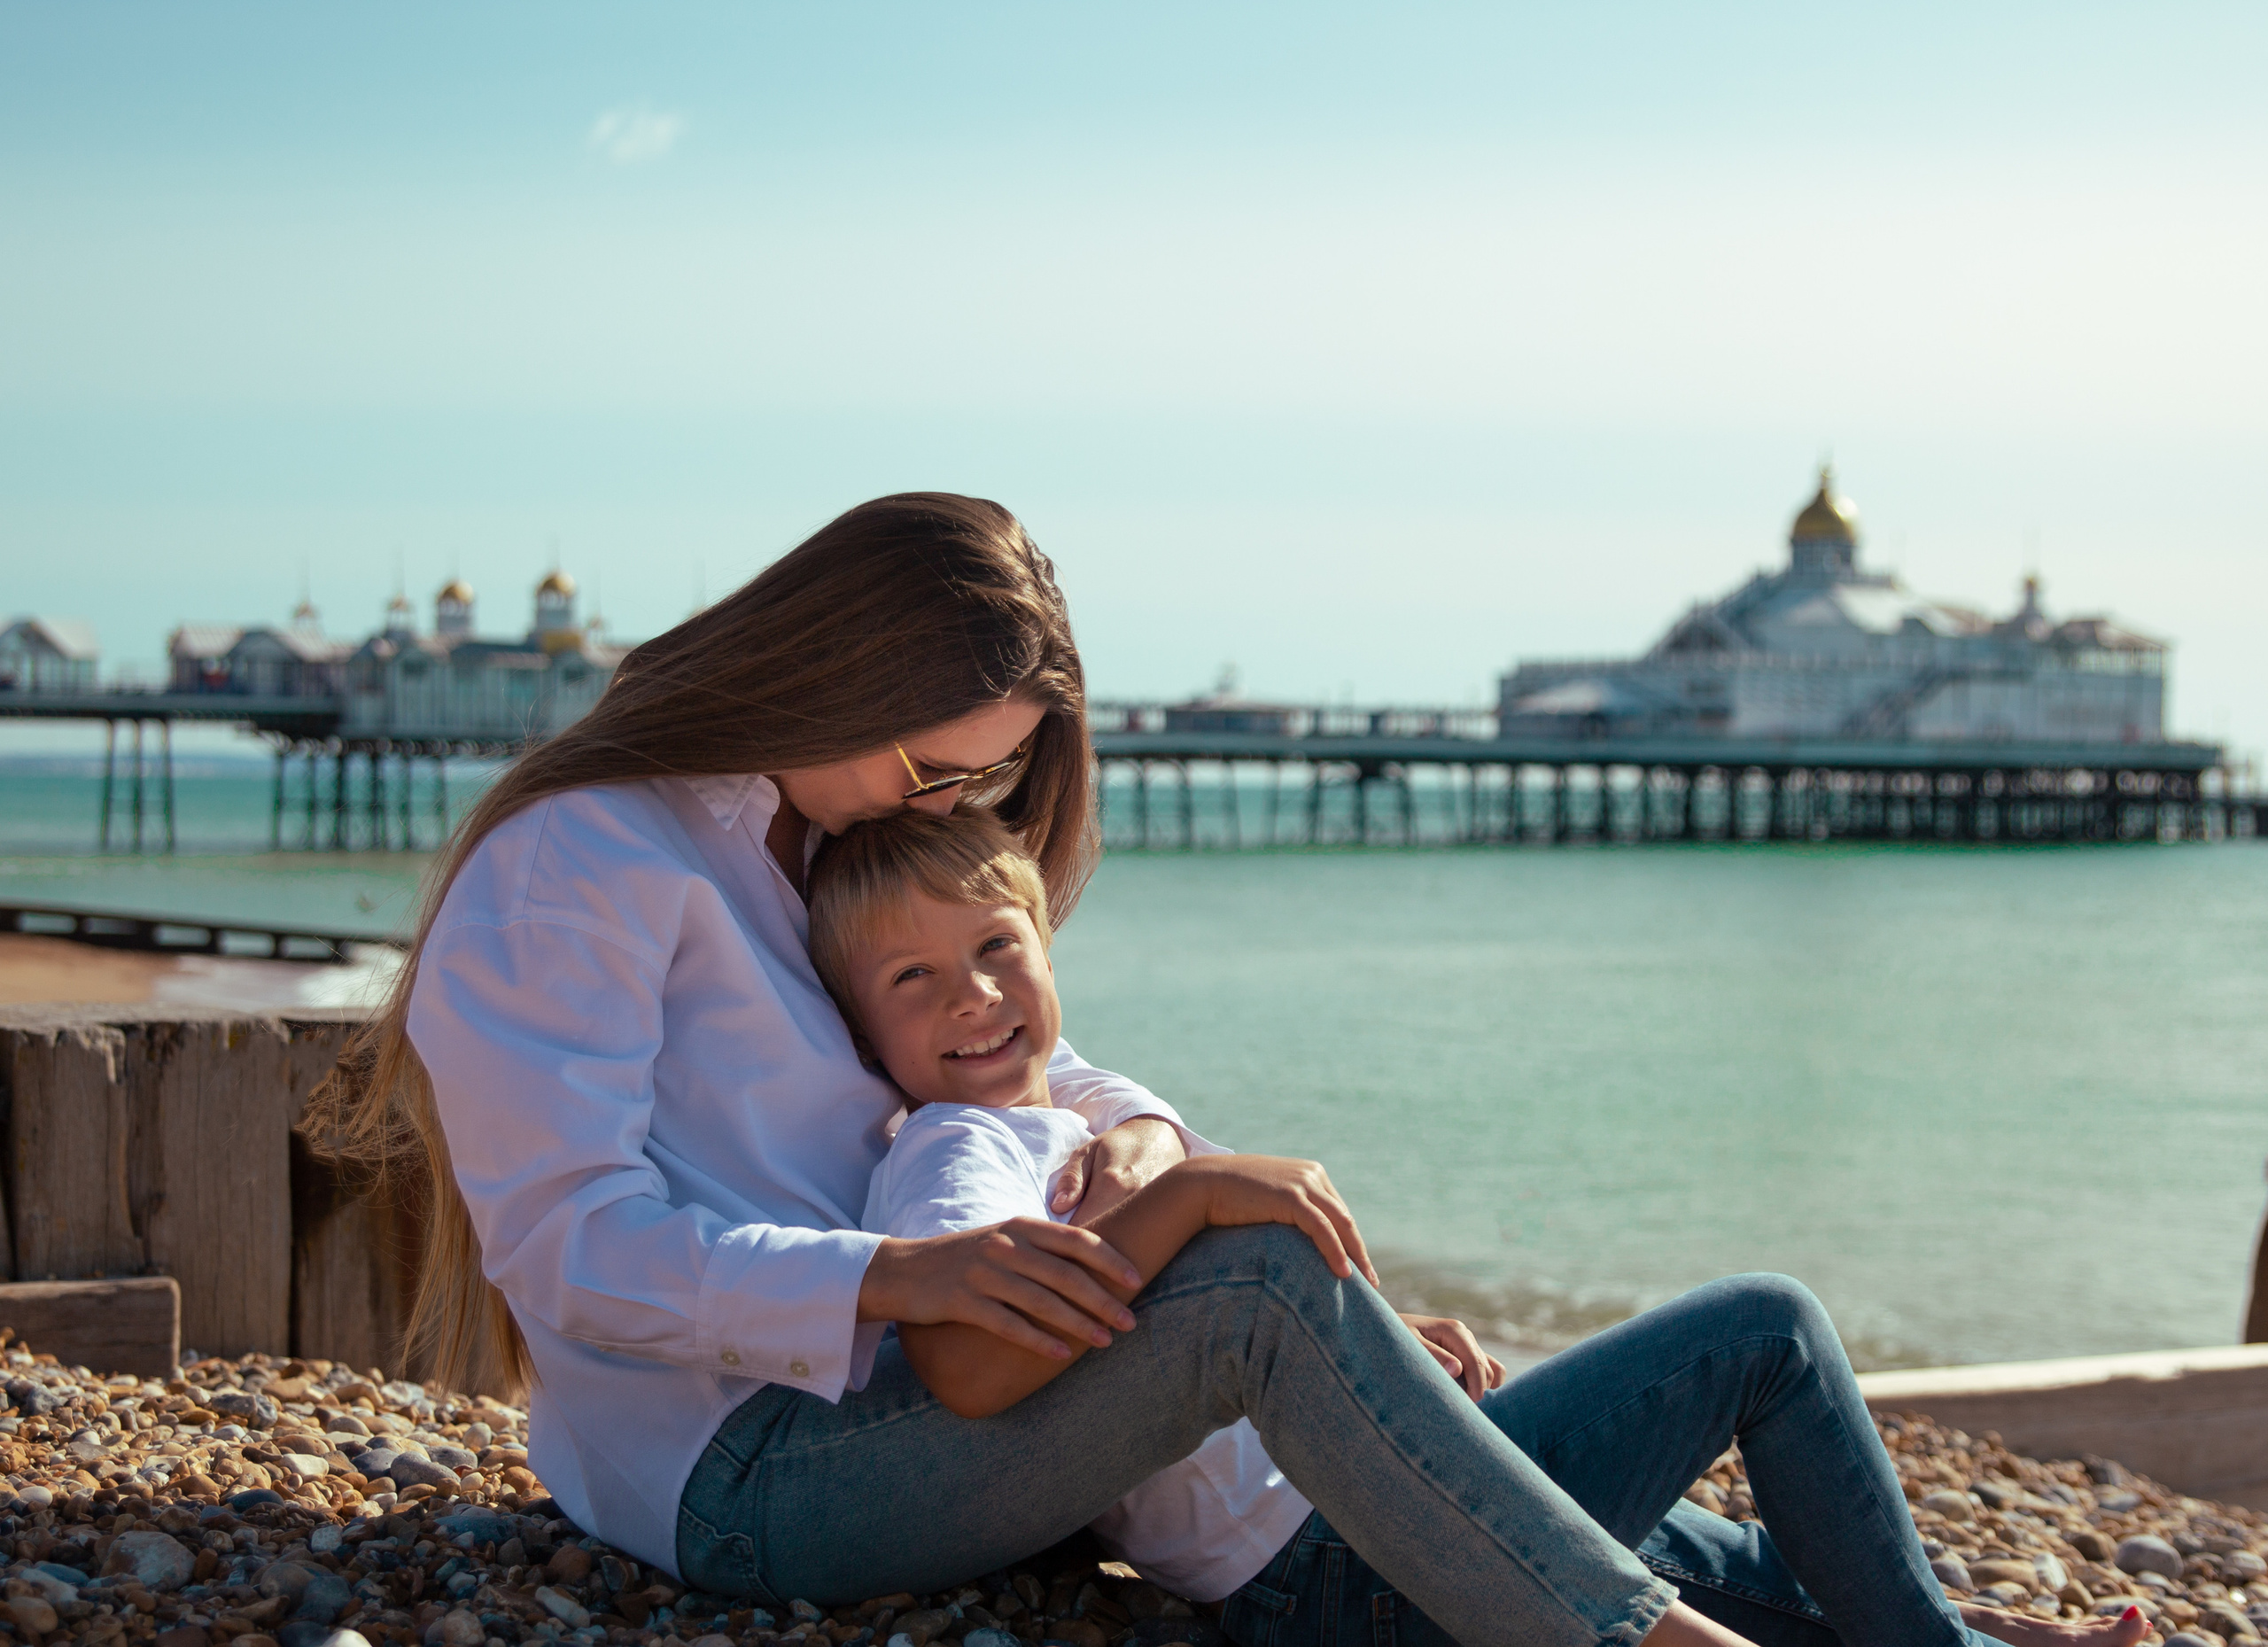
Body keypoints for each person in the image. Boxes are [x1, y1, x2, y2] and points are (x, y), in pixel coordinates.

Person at [304, 492, 2147, 1647]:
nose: (950, 809)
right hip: (739, 1474)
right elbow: (568, 1249)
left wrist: (1154, 1142)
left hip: (934, 1409)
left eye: (978, 789)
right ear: (828, 671)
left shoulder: (810, 848)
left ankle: (1915, 1637)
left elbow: (1049, 1071)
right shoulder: (593, 861)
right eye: (933, 770)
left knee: (1366, 1324)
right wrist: (903, 1270)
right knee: (1260, 1274)